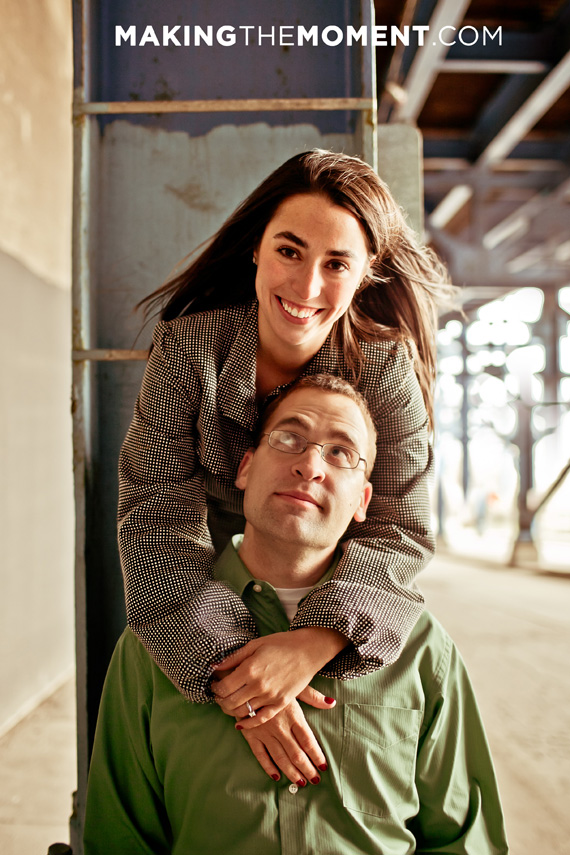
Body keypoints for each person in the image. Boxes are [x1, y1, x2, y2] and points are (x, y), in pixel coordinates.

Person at [118, 149, 454, 769]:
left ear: (366, 273)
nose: (306, 288)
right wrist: (249, 689)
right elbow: (153, 518)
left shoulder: (385, 369)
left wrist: (315, 643)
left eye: (336, 264)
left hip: (329, 570)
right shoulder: (190, 347)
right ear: (257, 247)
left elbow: (400, 529)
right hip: (212, 560)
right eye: (289, 251)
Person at [86, 376, 508, 854]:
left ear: (362, 503)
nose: (309, 465)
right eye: (288, 438)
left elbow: (463, 841)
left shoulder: (421, 648)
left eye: (341, 453)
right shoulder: (153, 645)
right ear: (244, 468)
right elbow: (118, 838)